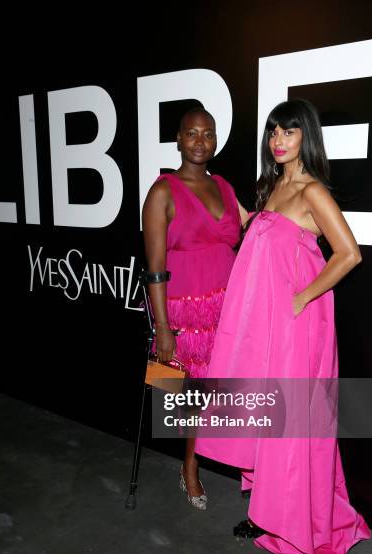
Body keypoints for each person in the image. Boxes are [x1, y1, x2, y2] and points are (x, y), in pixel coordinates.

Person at [194, 99, 371, 554]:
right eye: (273, 132)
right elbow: (268, 235)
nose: (278, 140)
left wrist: (302, 296)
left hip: (297, 326)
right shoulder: (273, 187)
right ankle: (268, 511)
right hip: (266, 325)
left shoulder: (312, 191)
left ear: (305, 137)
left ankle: (292, 520)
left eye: (289, 132)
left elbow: (349, 253)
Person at [142, 107, 248, 510]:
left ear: (216, 140)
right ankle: (189, 468)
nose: (200, 141)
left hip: (228, 305)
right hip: (183, 313)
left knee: (217, 391)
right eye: (192, 134)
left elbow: (243, 234)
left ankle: (210, 459)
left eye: (208, 134)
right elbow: (153, 269)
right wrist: (163, 328)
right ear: (178, 140)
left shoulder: (223, 185)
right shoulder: (162, 191)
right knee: (184, 395)